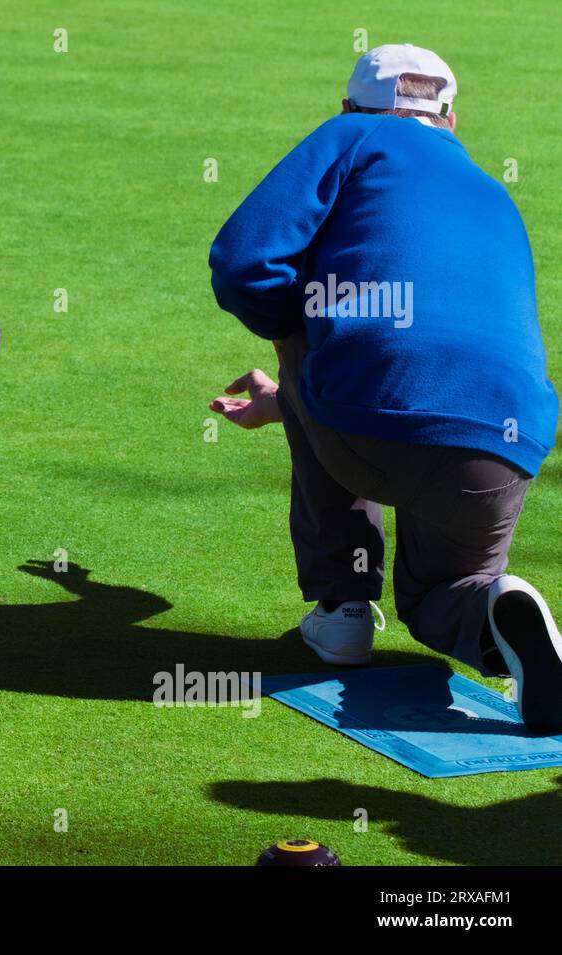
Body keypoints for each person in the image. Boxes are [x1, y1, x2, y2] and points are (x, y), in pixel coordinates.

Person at [207, 43, 562, 730]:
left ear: (348, 107)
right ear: (450, 120)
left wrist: (302, 363)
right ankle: (498, 601)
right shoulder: (491, 188)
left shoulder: (353, 133)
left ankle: (342, 608)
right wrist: (295, 402)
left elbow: (242, 262)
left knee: (308, 308)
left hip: (363, 420)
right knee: (439, 598)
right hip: (506, 441)